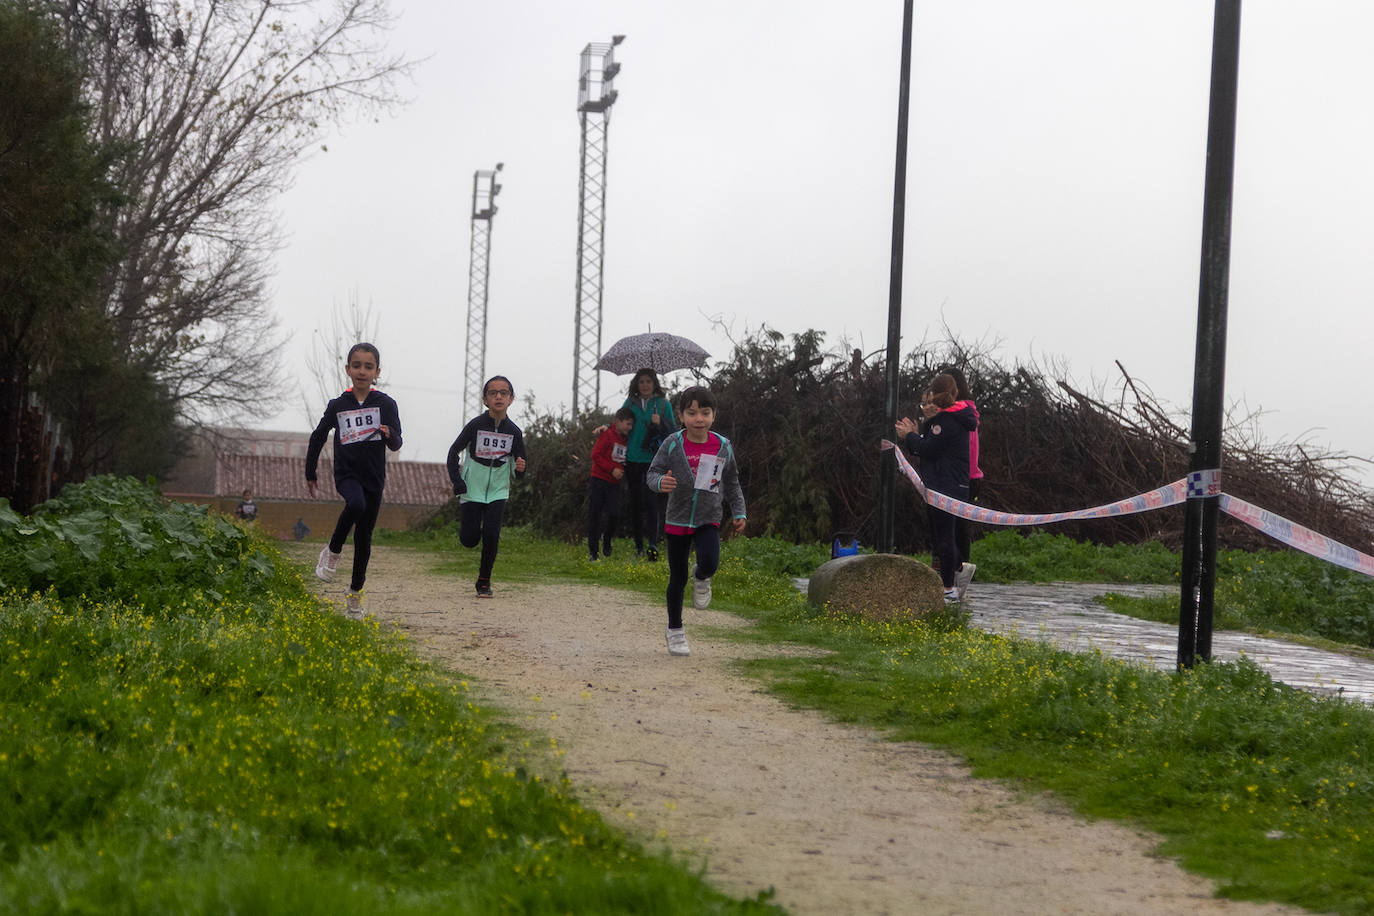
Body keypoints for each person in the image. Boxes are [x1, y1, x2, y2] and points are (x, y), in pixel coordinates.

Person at [646, 385, 746, 657]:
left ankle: (701, 576)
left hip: (708, 518)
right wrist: (660, 483)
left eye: (705, 412)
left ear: (714, 415)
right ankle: (675, 630)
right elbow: (652, 472)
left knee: (710, 562)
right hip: (677, 519)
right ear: (681, 416)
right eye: (691, 413)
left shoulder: (722, 446)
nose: (698, 418)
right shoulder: (672, 443)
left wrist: (739, 512)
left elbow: (732, 481)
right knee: (677, 577)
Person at [305, 342, 403, 620]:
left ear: (377, 372)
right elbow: (317, 437)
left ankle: (354, 597)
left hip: (374, 477)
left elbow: (397, 443)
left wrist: (388, 434)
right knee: (355, 504)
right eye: (356, 365)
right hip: (346, 474)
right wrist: (310, 473)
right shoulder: (338, 405)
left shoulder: (386, 404)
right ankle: (332, 550)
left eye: (368, 366)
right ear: (347, 369)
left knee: (364, 539)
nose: (362, 371)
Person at [896, 373, 976, 604]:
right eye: (925, 403)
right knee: (944, 536)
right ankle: (958, 573)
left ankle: (949, 587)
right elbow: (934, 448)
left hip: (945, 488)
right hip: (950, 485)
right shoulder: (953, 419)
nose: (928, 406)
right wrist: (918, 434)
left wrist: (910, 436)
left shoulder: (946, 422)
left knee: (944, 537)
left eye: (931, 401)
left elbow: (928, 449)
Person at [447, 375, 527, 598]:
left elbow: (520, 469)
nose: (498, 397)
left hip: (498, 490)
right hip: (472, 488)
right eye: (493, 393)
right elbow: (453, 452)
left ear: (511, 399)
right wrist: (457, 481)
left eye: (504, 393)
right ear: (485, 399)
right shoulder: (475, 425)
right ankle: (471, 531)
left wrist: (520, 468)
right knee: (469, 539)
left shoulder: (515, 432)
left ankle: (484, 581)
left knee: (492, 534)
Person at [620, 368, 676, 561]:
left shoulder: (662, 405)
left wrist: (660, 422)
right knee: (636, 504)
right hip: (633, 459)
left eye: (648, 382)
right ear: (636, 384)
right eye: (641, 382)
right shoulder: (630, 403)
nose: (644, 385)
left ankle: (652, 544)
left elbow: (673, 431)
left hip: (654, 461)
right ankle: (638, 546)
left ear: (654, 384)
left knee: (652, 503)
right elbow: (620, 425)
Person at [942, 365, 983, 600]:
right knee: (960, 529)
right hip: (971, 476)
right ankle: (957, 577)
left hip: (961, 478)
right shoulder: (969, 412)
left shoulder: (958, 414)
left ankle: (958, 577)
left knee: (955, 529)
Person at [588, 407, 634, 561]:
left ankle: (607, 540)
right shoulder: (607, 435)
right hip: (599, 480)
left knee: (614, 514)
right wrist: (612, 469)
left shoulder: (628, 439)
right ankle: (593, 553)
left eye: (631, 425)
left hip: (614, 484)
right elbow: (595, 455)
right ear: (618, 422)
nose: (630, 427)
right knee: (595, 515)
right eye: (627, 424)